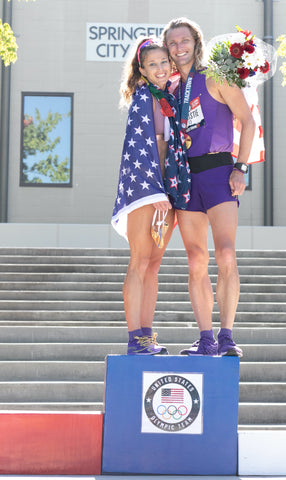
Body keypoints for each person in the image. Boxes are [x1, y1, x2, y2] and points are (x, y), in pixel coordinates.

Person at [163, 18, 256, 356]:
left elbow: (247, 121)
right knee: (195, 260)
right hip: (185, 179)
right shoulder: (170, 89)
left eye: (184, 40)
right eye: (172, 43)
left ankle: (227, 336)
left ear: (196, 42)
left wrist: (241, 168)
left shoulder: (216, 76)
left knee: (226, 253)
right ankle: (205, 338)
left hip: (219, 172)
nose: (178, 47)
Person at [111, 36, 190, 355]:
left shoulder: (168, 97)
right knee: (139, 262)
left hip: (166, 190)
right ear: (141, 70)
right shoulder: (144, 98)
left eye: (163, 63)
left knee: (154, 265)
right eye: (152, 64)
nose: (159, 68)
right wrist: (154, 190)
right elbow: (137, 151)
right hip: (146, 191)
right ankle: (135, 339)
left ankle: (147, 336)